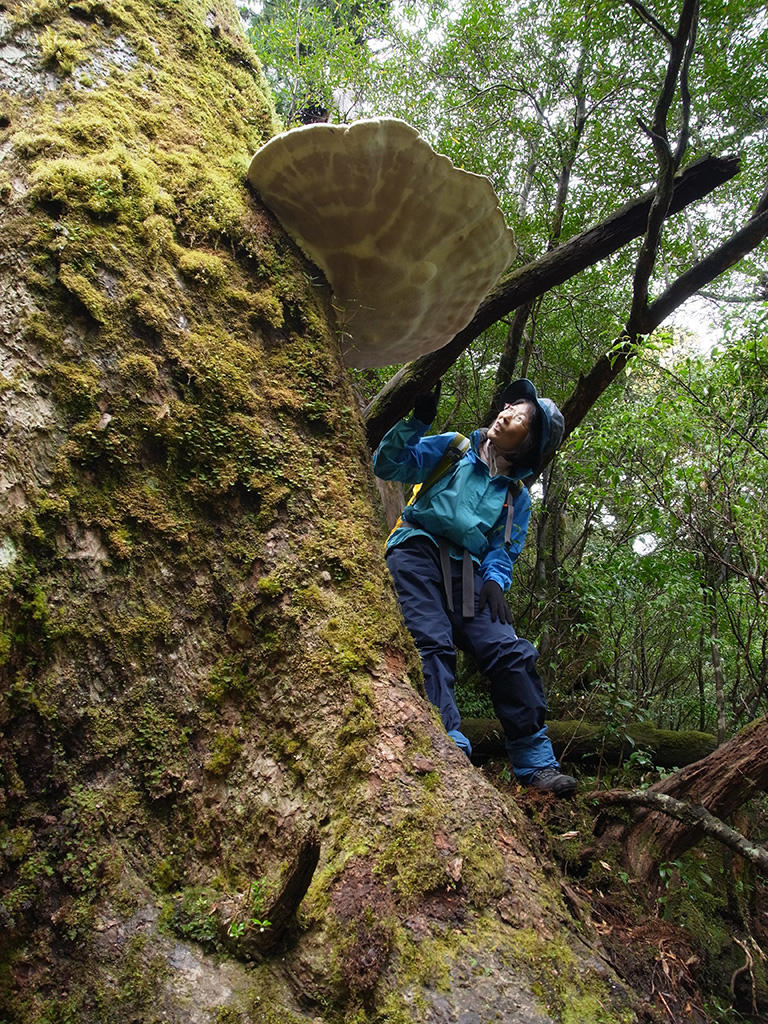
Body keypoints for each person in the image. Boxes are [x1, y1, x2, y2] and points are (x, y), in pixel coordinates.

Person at [373, 378, 577, 797]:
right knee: (430, 640)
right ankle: (444, 741)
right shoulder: (455, 449)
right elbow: (387, 465)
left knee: (511, 651)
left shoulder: (516, 498)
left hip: (469, 573)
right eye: (509, 407)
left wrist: (496, 583)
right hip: (416, 549)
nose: (506, 414)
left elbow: (503, 551)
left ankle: (535, 764)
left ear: (529, 442)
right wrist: (415, 424)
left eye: (520, 417)